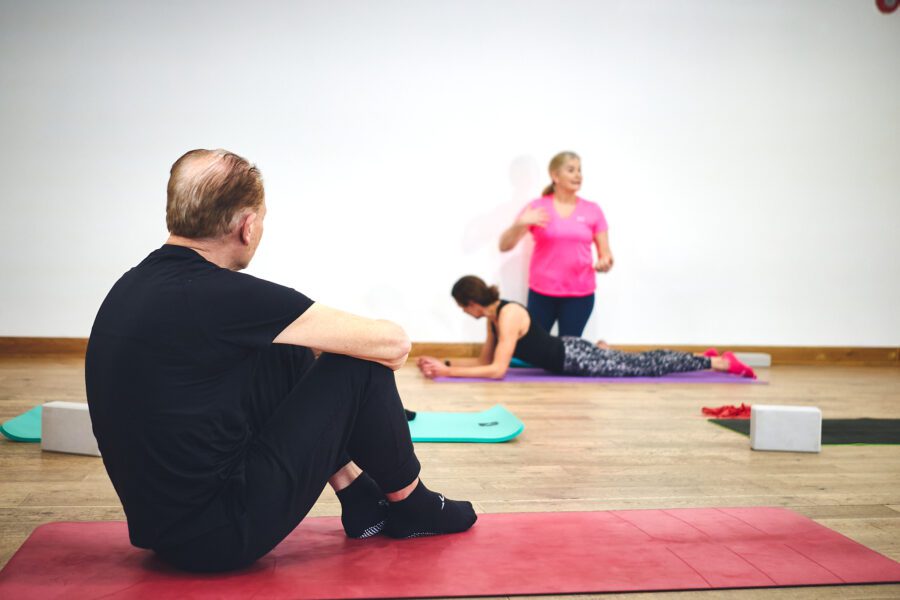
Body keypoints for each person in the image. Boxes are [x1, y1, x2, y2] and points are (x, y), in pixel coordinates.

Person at [85, 149, 476, 573]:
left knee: (283, 347)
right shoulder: (226, 295)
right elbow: (393, 344)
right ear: (247, 226)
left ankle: (360, 498)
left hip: (164, 529)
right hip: (223, 534)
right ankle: (414, 505)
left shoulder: (132, 285)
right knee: (358, 364)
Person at [417, 276, 756, 380]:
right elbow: (483, 362)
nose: (464, 312)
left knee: (647, 365)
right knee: (638, 361)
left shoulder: (508, 315)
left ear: (472, 302)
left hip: (576, 358)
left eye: (463, 306)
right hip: (570, 351)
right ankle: (702, 356)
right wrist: (445, 365)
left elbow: (498, 371)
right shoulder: (494, 319)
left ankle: (717, 362)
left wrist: (448, 374)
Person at [499, 151, 613, 337]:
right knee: (535, 350)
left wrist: (605, 262)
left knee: (569, 352)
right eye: (571, 170)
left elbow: (606, 255)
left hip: (580, 294)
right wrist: (520, 223)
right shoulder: (537, 207)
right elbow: (504, 245)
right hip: (542, 293)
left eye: (579, 170)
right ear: (555, 176)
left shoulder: (593, 210)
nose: (578, 175)